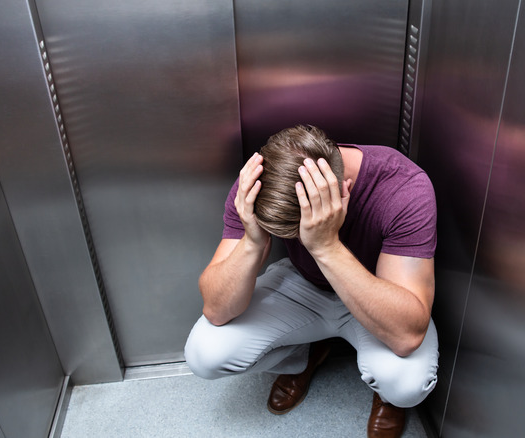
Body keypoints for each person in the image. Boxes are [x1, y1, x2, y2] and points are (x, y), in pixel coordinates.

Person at [185, 125, 438, 438]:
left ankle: (386, 397)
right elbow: (216, 309)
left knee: (405, 383)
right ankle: (303, 357)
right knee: (204, 354)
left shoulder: (403, 187)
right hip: (303, 287)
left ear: (341, 188)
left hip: (374, 292)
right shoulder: (260, 180)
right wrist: (253, 239)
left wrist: (325, 245)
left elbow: (406, 336)